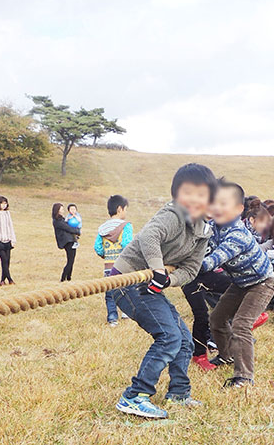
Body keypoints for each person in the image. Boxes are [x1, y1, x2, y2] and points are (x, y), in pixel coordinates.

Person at [109, 163, 215, 419]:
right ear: (177, 195)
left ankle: (179, 393)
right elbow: (149, 237)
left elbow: (190, 269)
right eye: (187, 193)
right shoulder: (173, 214)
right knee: (168, 337)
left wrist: (169, 280)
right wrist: (157, 269)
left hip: (151, 284)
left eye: (201, 194)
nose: (193, 199)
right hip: (127, 281)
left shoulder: (203, 232)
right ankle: (134, 396)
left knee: (184, 339)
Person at [204, 180, 274, 387]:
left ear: (238, 209)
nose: (217, 208)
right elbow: (197, 238)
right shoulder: (212, 227)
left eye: (223, 204)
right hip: (240, 282)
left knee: (241, 324)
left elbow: (216, 258)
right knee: (217, 318)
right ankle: (226, 356)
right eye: (214, 203)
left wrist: (192, 266)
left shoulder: (237, 234)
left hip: (262, 282)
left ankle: (244, 376)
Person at [93, 194, 134, 326]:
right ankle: (126, 313)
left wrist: (106, 255)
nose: (126, 212)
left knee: (110, 292)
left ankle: (112, 318)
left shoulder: (103, 228)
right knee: (126, 289)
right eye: (125, 209)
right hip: (123, 266)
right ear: (119, 209)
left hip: (109, 266)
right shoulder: (126, 226)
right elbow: (127, 244)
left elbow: (97, 247)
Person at [181, 266, 230, 371]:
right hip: (189, 276)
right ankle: (199, 355)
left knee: (236, 284)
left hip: (208, 272)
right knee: (201, 315)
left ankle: (245, 320)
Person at [52, 203, 81, 282]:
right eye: (61, 209)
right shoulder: (58, 221)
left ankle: (68, 277)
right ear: (57, 210)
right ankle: (63, 278)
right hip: (68, 242)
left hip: (70, 241)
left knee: (71, 260)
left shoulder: (62, 219)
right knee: (70, 260)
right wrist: (78, 231)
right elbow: (68, 228)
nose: (63, 210)